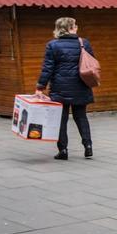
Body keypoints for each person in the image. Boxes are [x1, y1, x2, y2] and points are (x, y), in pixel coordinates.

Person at [36, 17, 94, 161]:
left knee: (60, 120)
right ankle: (88, 146)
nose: (77, 27)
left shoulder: (52, 45)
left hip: (60, 88)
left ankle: (63, 150)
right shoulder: (84, 43)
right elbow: (91, 63)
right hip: (81, 85)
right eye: (74, 25)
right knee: (81, 116)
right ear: (70, 28)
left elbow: (47, 68)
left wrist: (40, 87)